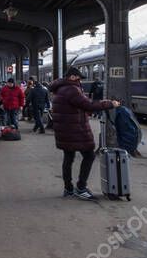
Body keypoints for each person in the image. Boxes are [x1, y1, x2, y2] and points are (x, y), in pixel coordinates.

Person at [50, 67, 119, 200]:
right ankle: (81, 188)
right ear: (72, 77)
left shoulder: (60, 89)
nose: (80, 81)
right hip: (76, 130)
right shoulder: (72, 90)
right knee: (89, 156)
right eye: (78, 78)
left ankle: (68, 189)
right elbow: (89, 105)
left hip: (65, 130)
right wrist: (110, 104)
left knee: (68, 158)